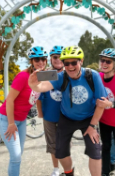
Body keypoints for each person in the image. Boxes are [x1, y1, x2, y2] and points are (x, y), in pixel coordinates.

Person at [28, 46, 107, 176]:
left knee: (95, 151)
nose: (70, 66)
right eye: (67, 63)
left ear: (81, 61)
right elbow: (42, 87)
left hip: (88, 118)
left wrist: (93, 126)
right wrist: (33, 84)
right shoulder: (61, 76)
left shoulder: (92, 76)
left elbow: (101, 104)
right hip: (67, 118)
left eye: (74, 62)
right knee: (60, 151)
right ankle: (69, 173)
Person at [0, 46, 48, 176]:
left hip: (21, 120)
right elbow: (9, 100)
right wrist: (10, 123)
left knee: (19, 155)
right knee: (16, 156)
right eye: (37, 59)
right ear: (31, 61)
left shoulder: (42, 77)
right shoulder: (23, 76)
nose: (41, 62)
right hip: (7, 119)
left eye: (43, 59)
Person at [95, 48, 115, 176]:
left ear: (114, 64)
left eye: (108, 62)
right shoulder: (98, 77)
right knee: (106, 146)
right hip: (104, 119)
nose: (104, 63)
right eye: (102, 60)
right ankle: (105, 172)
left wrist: (110, 104)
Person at [36, 45, 64, 176]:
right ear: (51, 59)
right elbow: (38, 95)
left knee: (64, 144)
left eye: (60, 57)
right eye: (55, 57)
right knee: (52, 144)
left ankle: (67, 168)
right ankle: (56, 169)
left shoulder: (69, 73)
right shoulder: (45, 74)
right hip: (49, 115)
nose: (58, 60)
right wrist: (40, 113)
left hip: (66, 116)